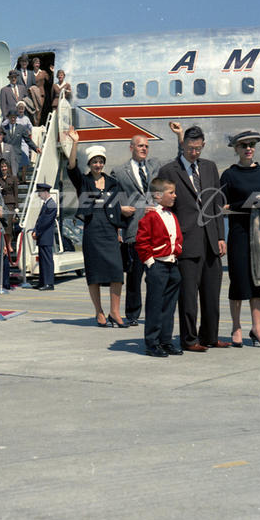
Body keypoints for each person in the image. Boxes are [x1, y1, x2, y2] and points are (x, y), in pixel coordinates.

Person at [159, 122, 230, 350]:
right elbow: (163, 207)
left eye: (198, 148)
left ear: (203, 145)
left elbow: (216, 203)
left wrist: (221, 236)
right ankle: (189, 339)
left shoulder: (210, 167)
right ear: (183, 145)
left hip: (211, 241)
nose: (194, 152)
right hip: (186, 242)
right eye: (190, 148)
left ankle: (210, 336)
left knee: (211, 295)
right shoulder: (169, 171)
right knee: (188, 296)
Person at [65, 128, 136, 327]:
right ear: (89, 164)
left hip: (110, 230)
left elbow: (118, 207)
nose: (98, 164)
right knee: (94, 273)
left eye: (100, 161)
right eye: (94, 162)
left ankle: (115, 312)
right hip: (92, 230)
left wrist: (120, 227)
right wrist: (75, 143)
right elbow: (71, 167)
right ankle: (99, 312)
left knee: (116, 272)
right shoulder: (84, 181)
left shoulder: (113, 183)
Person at [219, 130, 260, 348]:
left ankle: (257, 329)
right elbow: (219, 207)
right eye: (243, 145)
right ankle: (236, 327)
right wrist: (245, 205)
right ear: (236, 149)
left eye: (252, 144)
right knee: (239, 281)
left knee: (259, 282)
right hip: (239, 234)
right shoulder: (229, 175)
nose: (248, 148)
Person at [111, 135, 160, 326]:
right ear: (131, 147)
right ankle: (132, 315)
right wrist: (120, 209)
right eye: (140, 145)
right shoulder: (119, 172)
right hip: (134, 230)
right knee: (134, 277)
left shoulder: (155, 166)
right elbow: (111, 198)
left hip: (156, 231)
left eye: (146, 146)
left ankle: (154, 313)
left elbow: (178, 160)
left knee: (156, 277)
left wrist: (180, 137)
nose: (144, 148)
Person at [135, 178, 184, 357]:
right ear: (157, 195)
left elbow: (177, 237)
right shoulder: (150, 217)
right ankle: (152, 343)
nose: (174, 195)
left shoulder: (171, 215)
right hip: (158, 266)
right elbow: (142, 241)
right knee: (155, 306)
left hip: (172, 265)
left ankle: (166, 340)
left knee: (169, 307)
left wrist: (177, 251)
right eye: (171, 192)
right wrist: (150, 262)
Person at [32, 182, 57, 290]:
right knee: (42, 260)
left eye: (40, 192)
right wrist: (35, 230)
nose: (39, 195)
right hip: (43, 236)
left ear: (45, 192)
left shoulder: (51, 204)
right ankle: (42, 282)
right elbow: (39, 220)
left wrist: (37, 232)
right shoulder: (46, 204)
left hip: (45, 236)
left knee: (47, 260)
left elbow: (45, 222)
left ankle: (49, 283)